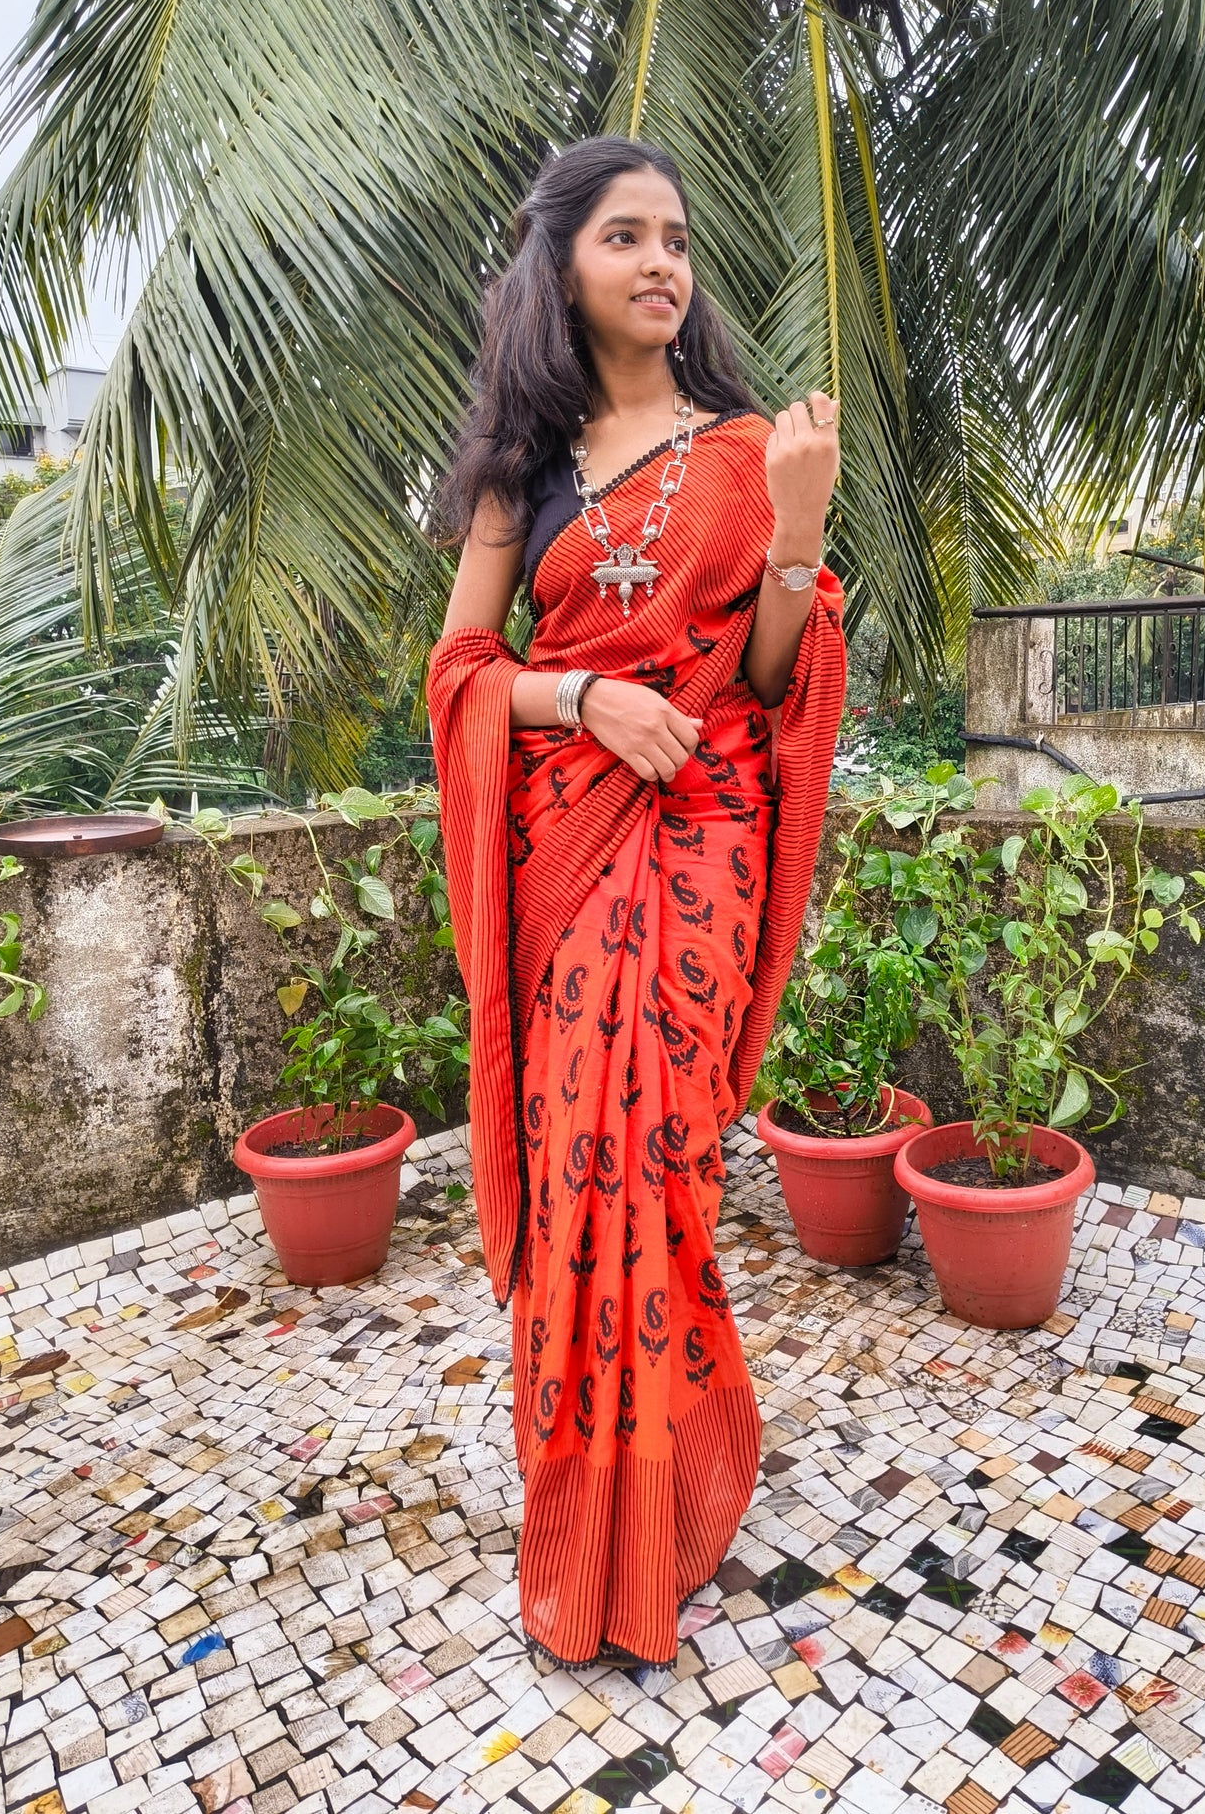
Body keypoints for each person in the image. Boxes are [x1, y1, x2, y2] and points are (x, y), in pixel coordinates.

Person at [427, 134, 847, 1674]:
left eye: (675, 236)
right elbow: (461, 674)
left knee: (654, 1159)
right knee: (573, 1171)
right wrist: (583, 698)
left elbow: (768, 684)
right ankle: (584, 1518)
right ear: (560, 264)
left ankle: (665, 1492)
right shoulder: (515, 475)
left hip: (699, 844)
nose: (661, 260)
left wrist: (797, 532)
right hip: (565, 852)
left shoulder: (743, 451)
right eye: (626, 235)